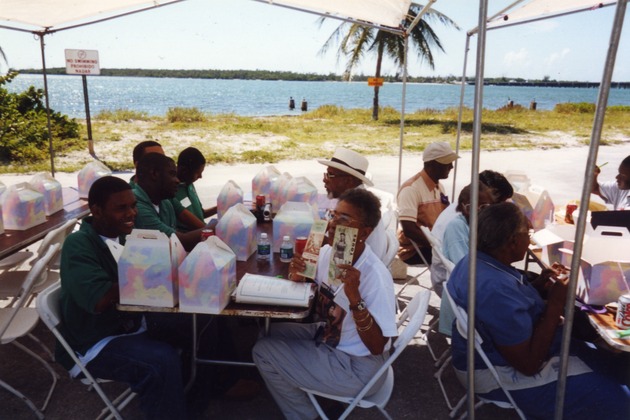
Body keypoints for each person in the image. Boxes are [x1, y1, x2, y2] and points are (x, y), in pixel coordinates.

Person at [447, 202, 629, 419]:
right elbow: (529, 364)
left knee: (618, 365)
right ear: (512, 241)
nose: (530, 238)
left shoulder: (477, 261)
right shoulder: (495, 289)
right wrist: (554, 304)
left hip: (493, 355)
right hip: (497, 374)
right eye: (528, 232)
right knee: (621, 401)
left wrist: (538, 285)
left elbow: (508, 307)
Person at [252, 189, 397, 419]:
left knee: (264, 351)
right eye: (333, 215)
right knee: (268, 332)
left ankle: (310, 415)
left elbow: (378, 346)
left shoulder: (376, 277)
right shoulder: (330, 253)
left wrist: (355, 298)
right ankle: (314, 392)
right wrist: (300, 275)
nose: (332, 224)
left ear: (364, 233)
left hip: (358, 368)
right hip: (331, 339)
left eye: (344, 219)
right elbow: (312, 284)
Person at [58, 176, 187, 419]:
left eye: (133, 205)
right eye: (121, 208)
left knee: (197, 323)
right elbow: (98, 300)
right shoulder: (79, 245)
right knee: (161, 361)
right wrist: (144, 270)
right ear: (96, 210)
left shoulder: (126, 236)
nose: (131, 213)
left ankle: (188, 399)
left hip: (131, 324)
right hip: (96, 342)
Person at [430, 170, 514, 294]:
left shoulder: (467, 209)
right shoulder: (458, 223)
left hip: (460, 276)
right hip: (451, 282)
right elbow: (465, 269)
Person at [318, 147, 387, 261]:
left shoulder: (359, 207)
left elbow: (328, 245)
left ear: (348, 181)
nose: (325, 180)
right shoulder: (349, 202)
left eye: (330, 175)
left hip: (356, 272)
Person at [397, 141, 459, 265]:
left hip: (434, 244)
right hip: (415, 250)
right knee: (462, 259)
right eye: (447, 163)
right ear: (431, 165)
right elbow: (409, 230)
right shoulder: (411, 189)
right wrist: (438, 246)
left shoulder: (439, 186)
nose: (451, 167)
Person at [132, 152, 204, 251]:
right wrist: (220, 227)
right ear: (154, 174)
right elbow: (180, 242)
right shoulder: (137, 207)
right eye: (172, 174)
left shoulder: (165, 201)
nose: (177, 180)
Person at [131, 140, 206, 230]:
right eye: (155, 157)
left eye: (163, 157)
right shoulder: (131, 198)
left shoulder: (165, 198)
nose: (163, 161)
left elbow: (183, 213)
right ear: (138, 165)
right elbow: (177, 237)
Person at [175, 147, 217, 232]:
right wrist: (212, 231)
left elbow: (201, 214)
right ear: (184, 170)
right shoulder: (172, 190)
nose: (200, 177)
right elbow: (190, 221)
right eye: (198, 173)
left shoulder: (190, 185)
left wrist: (221, 207)